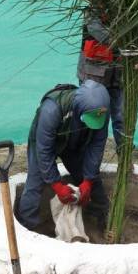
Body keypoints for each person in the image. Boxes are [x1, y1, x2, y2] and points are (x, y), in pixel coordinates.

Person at [16, 80, 111, 232]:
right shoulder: (51, 110)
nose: (93, 122)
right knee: (35, 182)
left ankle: (99, 216)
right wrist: (57, 185)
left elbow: (97, 145)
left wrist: (88, 180)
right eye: (88, 119)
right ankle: (29, 226)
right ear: (79, 109)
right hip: (44, 141)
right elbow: (44, 151)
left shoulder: (102, 112)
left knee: (90, 179)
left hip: (75, 140)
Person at [77, 6, 124, 150]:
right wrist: (126, 39)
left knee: (121, 117)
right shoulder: (92, 11)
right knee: (96, 118)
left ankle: (124, 156)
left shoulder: (124, 9)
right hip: (94, 78)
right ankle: (89, 167)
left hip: (118, 76)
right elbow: (101, 34)